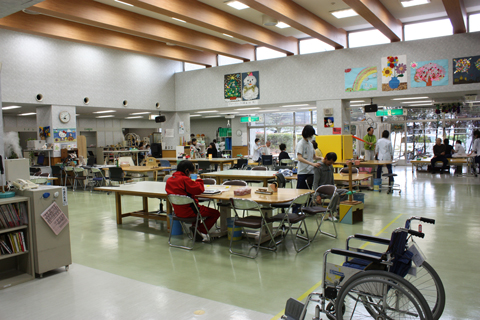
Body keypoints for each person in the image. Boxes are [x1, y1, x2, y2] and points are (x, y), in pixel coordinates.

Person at [165, 160, 220, 241]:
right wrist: (199, 180)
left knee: (198, 209)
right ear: (187, 170)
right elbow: (199, 189)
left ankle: (195, 229)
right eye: (190, 173)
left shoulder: (169, 180)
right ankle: (200, 230)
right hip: (191, 211)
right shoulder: (184, 180)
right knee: (216, 213)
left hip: (177, 212)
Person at [296, 125, 322, 190]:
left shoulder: (310, 144)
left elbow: (314, 157)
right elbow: (299, 158)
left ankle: (310, 200)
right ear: (307, 134)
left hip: (310, 171)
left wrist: (321, 158)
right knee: (301, 192)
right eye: (311, 135)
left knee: (310, 191)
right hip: (303, 172)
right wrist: (312, 164)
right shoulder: (300, 144)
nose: (311, 136)